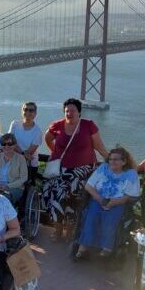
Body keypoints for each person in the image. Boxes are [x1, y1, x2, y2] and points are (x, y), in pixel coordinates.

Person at [43, 98, 109, 240]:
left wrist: (112, 160)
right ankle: (58, 229)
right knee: (55, 195)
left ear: (79, 112)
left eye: (73, 110)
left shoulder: (88, 125)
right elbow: (47, 139)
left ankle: (70, 230)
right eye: (67, 111)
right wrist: (56, 153)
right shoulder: (57, 125)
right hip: (60, 171)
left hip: (82, 171)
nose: (69, 113)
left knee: (73, 195)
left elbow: (99, 147)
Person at [76, 146, 140, 259]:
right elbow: (88, 186)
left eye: (116, 159)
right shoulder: (103, 168)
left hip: (118, 202)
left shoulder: (130, 174)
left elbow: (128, 196)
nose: (112, 161)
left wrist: (114, 202)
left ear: (124, 161)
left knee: (110, 220)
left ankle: (106, 249)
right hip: (98, 199)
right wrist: (99, 199)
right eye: (110, 159)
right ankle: (83, 247)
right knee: (91, 217)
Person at [0, 133, 28, 204]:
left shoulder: (21, 159)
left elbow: (24, 178)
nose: (6, 146)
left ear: (14, 145)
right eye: (4, 144)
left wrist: (7, 186)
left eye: (9, 144)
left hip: (14, 188)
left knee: (2, 199)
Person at [8, 101, 42, 183]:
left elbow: (30, 152)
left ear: (35, 113)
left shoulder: (38, 132)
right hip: (12, 160)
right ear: (22, 111)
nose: (28, 112)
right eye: (25, 109)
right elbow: (9, 141)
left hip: (29, 165)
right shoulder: (14, 124)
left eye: (31, 110)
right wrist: (23, 153)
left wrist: (18, 150)